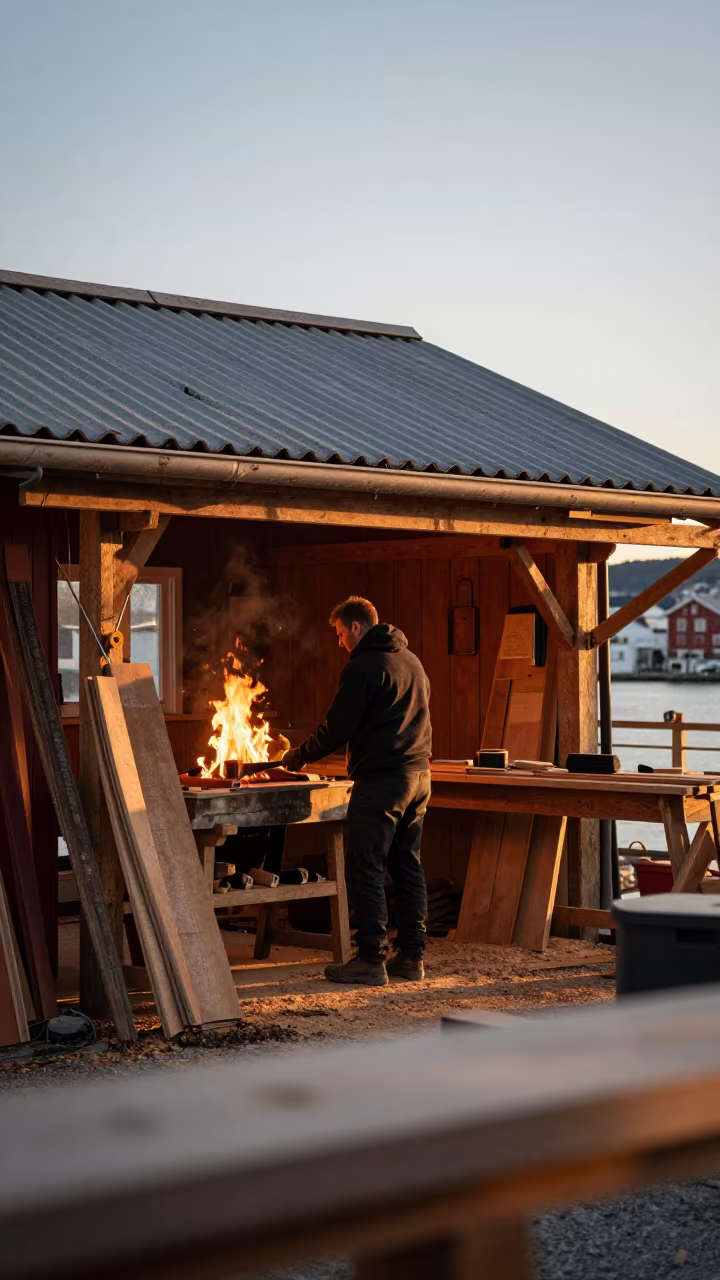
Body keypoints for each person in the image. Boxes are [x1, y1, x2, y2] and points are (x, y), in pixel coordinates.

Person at [282, 596, 432, 986]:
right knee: (406, 864)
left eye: (339, 633)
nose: (339, 642)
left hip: (382, 782)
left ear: (356, 628)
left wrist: (298, 757)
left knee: (364, 866)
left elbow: (337, 728)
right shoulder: (412, 662)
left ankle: (370, 959)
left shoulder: (364, 666)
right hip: (419, 776)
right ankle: (412, 957)